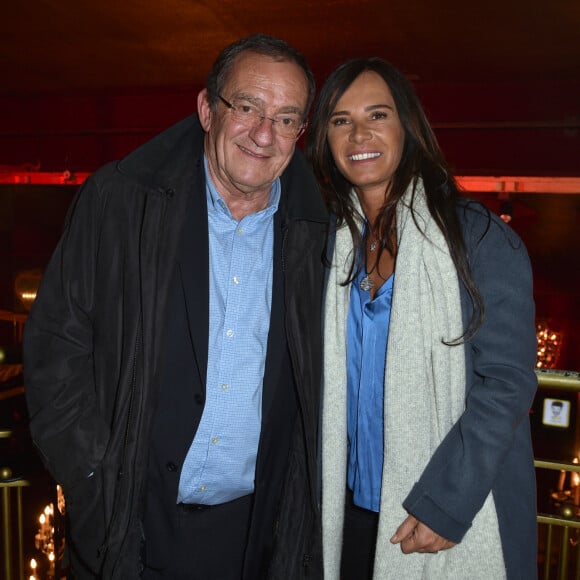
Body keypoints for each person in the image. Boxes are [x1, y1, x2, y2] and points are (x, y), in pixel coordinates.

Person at [23, 34, 328, 579]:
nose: (264, 134)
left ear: (300, 133)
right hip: (126, 528)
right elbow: (55, 351)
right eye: (247, 107)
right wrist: (97, 483)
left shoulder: (321, 237)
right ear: (207, 109)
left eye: (286, 119)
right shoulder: (121, 203)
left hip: (255, 541)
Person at [307, 58, 537, 579]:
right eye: (341, 120)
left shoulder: (475, 240)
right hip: (350, 513)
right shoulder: (330, 245)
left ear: (407, 127)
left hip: (440, 508)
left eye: (377, 115)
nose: (358, 133)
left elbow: (505, 384)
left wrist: (446, 504)